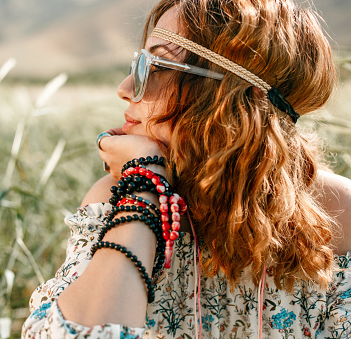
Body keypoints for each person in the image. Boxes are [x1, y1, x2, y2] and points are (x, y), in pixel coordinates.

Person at [22, 0, 351, 337]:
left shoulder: (339, 213)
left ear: (232, 97)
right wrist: (143, 188)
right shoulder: (115, 200)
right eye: (138, 63)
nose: (123, 89)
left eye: (157, 65)